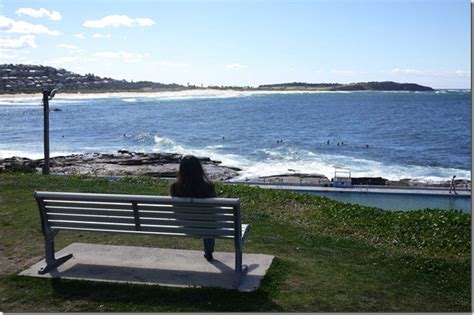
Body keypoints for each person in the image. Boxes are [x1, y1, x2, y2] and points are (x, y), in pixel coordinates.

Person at [170, 155, 216, 261]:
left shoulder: (175, 187)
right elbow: (212, 211)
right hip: (204, 227)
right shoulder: (208, 187)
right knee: (209, 221)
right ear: (199, 169)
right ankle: (208, 252)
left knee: (208, 221)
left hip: (184, 225)